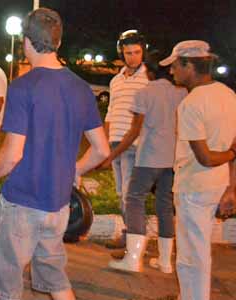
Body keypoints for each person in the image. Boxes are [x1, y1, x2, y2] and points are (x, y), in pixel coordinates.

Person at [0, 8, 109, 300]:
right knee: (56, 281)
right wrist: (76, 169)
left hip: (23, 202)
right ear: (58, 43)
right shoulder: (81, 89)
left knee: (6, 286)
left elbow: (13, 154)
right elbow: (102, 149)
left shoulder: (24, 86)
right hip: (57, 206)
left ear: (26, 41)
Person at [161, 40, 236, 300]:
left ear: (189, 65)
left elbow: (205, 157)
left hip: (194, 187)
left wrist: (230, 154)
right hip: (217, 184)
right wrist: (230, 189)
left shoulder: (191, 104)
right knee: (199, 249)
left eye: (175, 66)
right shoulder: (228, 95)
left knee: (192, 255)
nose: (172, 72)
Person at [107, 53, 187, 273]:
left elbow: (134, 131)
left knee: (134, 199)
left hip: (149, 157)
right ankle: (165, 261)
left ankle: (133, 258)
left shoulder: (144, 92)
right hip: (171, 159)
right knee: (164, 205)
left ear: (150, 72)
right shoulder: (181, 93)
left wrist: (111, 156)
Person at [101, 30, 150, 250]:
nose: (132, 57)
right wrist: (105, 140)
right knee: (121, 192)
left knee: (130, 194)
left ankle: (134, 238)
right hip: (114, 142)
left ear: (143, 52)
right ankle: (130, 232)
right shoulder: (116, 80)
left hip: (135, 144)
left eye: (137, 52)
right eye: (128, 52)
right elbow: (111, 111)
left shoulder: (148, 79)